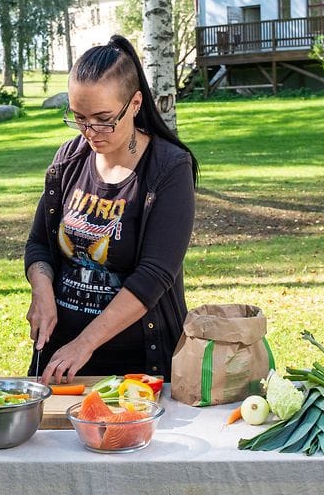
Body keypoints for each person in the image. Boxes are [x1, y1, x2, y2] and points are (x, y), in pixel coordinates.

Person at [24, 34, 198, 383]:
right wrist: (41, 291)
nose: (90, 132)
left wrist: (85, 343)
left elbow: (154, 276)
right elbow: (40, 244)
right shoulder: (68, 160)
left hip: (138, 368)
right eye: (79, 118)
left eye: (103, 119)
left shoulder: (168, 168)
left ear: (134, 104)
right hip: (61, 361)